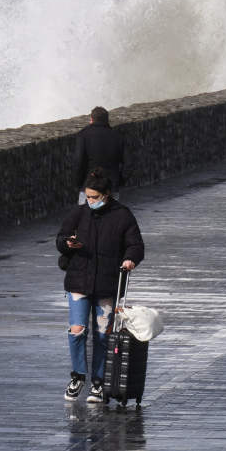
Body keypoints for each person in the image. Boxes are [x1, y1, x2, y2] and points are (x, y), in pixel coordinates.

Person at [55, 168, 144, 403]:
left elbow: (136, 245)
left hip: (107, 284)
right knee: (77, 330)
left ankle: (98, 382)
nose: (90, 201)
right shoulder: (78, 213)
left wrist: (130, 259)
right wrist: (68, 244)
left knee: (103, 334)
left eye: (94, 197)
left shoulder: (123, 216)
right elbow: (61, 239)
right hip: (78, 280)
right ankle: (78, 376)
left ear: (106, 194)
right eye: (87, 197)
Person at [74, 106, 126, 194]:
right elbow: (129, 162)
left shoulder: (83, 135)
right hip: (111, 185)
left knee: (84, 208)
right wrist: (120, 180)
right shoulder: (117, 136)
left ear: (91, 119)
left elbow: (79, 162)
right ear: (107, 119)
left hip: (89, 184)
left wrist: (79, 183)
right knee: (112, 208)